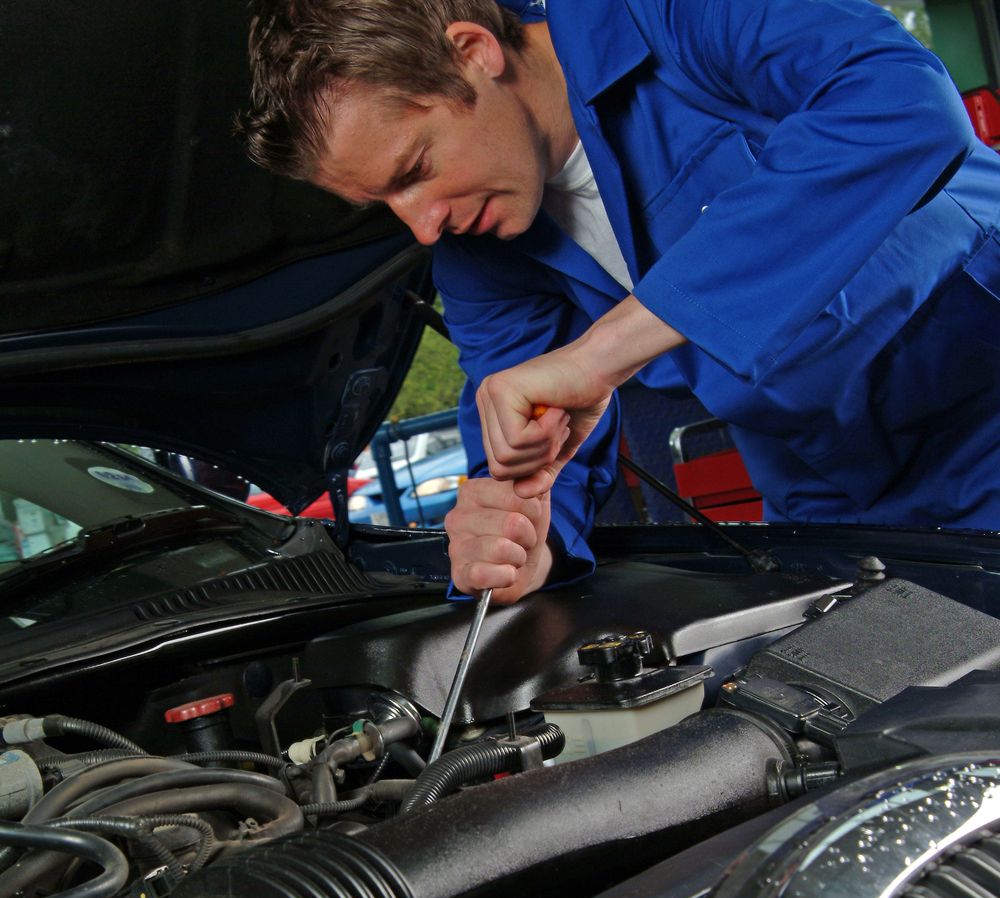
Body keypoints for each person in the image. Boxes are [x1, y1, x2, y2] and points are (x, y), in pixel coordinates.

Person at [239, 0, 1000, 605]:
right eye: (386, 203)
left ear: (474, 52)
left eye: (415, 170)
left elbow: (900, 105)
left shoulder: (670, 14)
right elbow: (532, 443)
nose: (423, 226)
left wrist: (603, 354)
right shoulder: (481, 252)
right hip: (822, 484)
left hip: (980, 387)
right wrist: (519, 540)